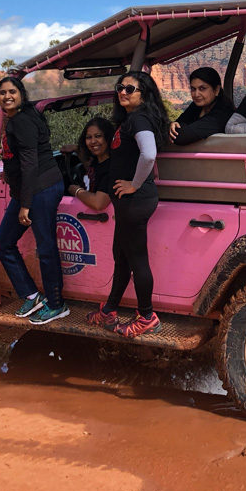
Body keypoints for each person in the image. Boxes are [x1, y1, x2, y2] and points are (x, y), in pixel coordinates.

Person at [85, 71, 170, 338]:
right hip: (128, 203)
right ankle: (109, 310)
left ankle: (147, 316)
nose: (123, 92)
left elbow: (149, 154)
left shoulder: (140, 118)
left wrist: (134, 183)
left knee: (136, 260)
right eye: (120, 87)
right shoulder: (132, 119)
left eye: (130, 88)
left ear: (144, 92)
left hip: (135, 200)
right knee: (121, 258)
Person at [0, 76, 69, 325]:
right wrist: (9, 170)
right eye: (2, 93)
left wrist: (25, 204)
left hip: (40, 188)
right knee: (3, 242)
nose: (7, 96)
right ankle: (32, 295)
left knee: (46, 247)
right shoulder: (18, 118)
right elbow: (20, 158)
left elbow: (30, 163)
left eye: (12, 91)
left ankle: (57, 305)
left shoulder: (22, 121)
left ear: (21, 94)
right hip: (31, 188)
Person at [169, 67, 235, 145]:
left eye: (202, 88)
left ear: (216, 90)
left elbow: (181, 136)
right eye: (193, 89)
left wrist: (174, 127)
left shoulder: (223, 113)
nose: (196, 94)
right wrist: (172, 125)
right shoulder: (197, 106)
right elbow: (179, 123)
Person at [65, 117, 114, 211]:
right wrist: (76, 149)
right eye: (88, 137)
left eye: (98, 136)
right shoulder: (97, 161)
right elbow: (91, 171)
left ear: (108, 138)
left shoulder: (111, 167)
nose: (93, 141)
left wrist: (76, 191)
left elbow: (98, 203)